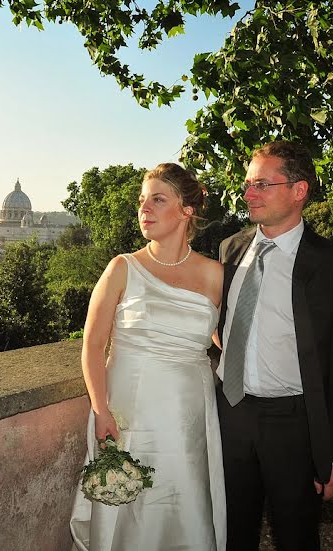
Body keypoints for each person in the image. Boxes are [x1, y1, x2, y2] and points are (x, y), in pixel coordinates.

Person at [216, 141, 333, 551]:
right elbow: (223, 325)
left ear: (298, 190)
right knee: (229, 531)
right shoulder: (230, 250)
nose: (248, 193)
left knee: (296, 534)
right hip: (228, 415)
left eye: (262, 184)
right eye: (248, 184)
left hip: (293, 424)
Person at [70, 163, 226, 551]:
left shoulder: (216, 275)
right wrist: (100, 409)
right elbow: (92, 346)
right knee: (128, 507)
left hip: (188, 414)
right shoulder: (122, 268)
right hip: (128, 411)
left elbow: (227, 339)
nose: (145, 208)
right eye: (142, 201)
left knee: (183, 497)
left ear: (186, 211)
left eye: (158, 199)